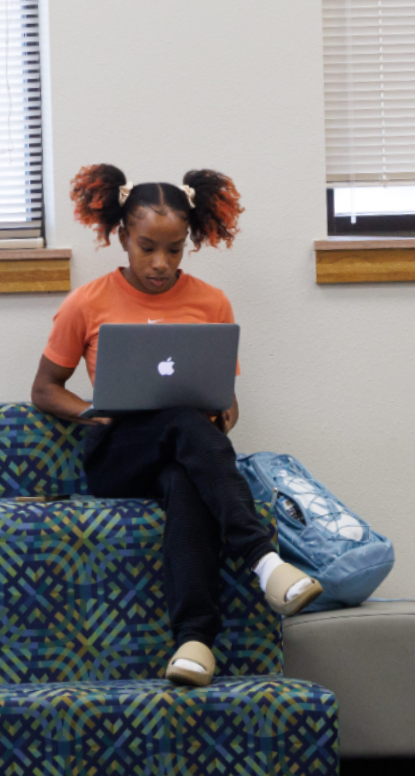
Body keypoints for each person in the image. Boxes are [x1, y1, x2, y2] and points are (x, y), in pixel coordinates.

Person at [31, 164, 322, 687]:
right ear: (123, 236)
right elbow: (44, 389)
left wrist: (225, 411)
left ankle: (194, 642)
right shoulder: (87, 302)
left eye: (175, 249)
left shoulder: (212, 302)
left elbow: (224, 400)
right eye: (147, 248)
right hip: (118, 456)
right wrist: (92, 410)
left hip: (184, 453)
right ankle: (263, 560)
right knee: (183, 422)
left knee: (187, 479)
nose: (161, 263)